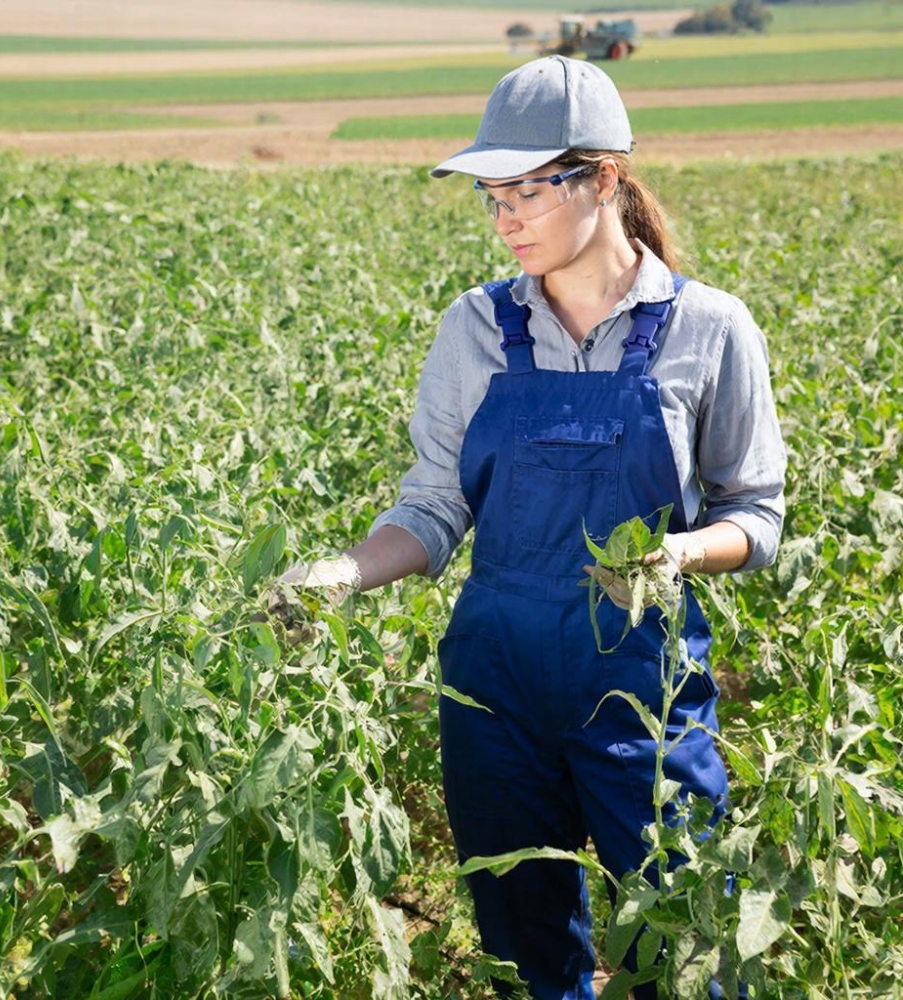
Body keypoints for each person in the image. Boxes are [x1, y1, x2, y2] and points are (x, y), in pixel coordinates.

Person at [284, 56, 785, 999]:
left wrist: (683, 550)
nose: (504, 217)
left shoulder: (710, 330)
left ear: (602, 179)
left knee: (679, 943)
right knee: (524, 950)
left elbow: (756, 516)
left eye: (525, 190)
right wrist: (339, 574)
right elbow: (433, 510)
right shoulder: (472, 329)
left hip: (642, 686)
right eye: (491, 195)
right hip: (495, 688)